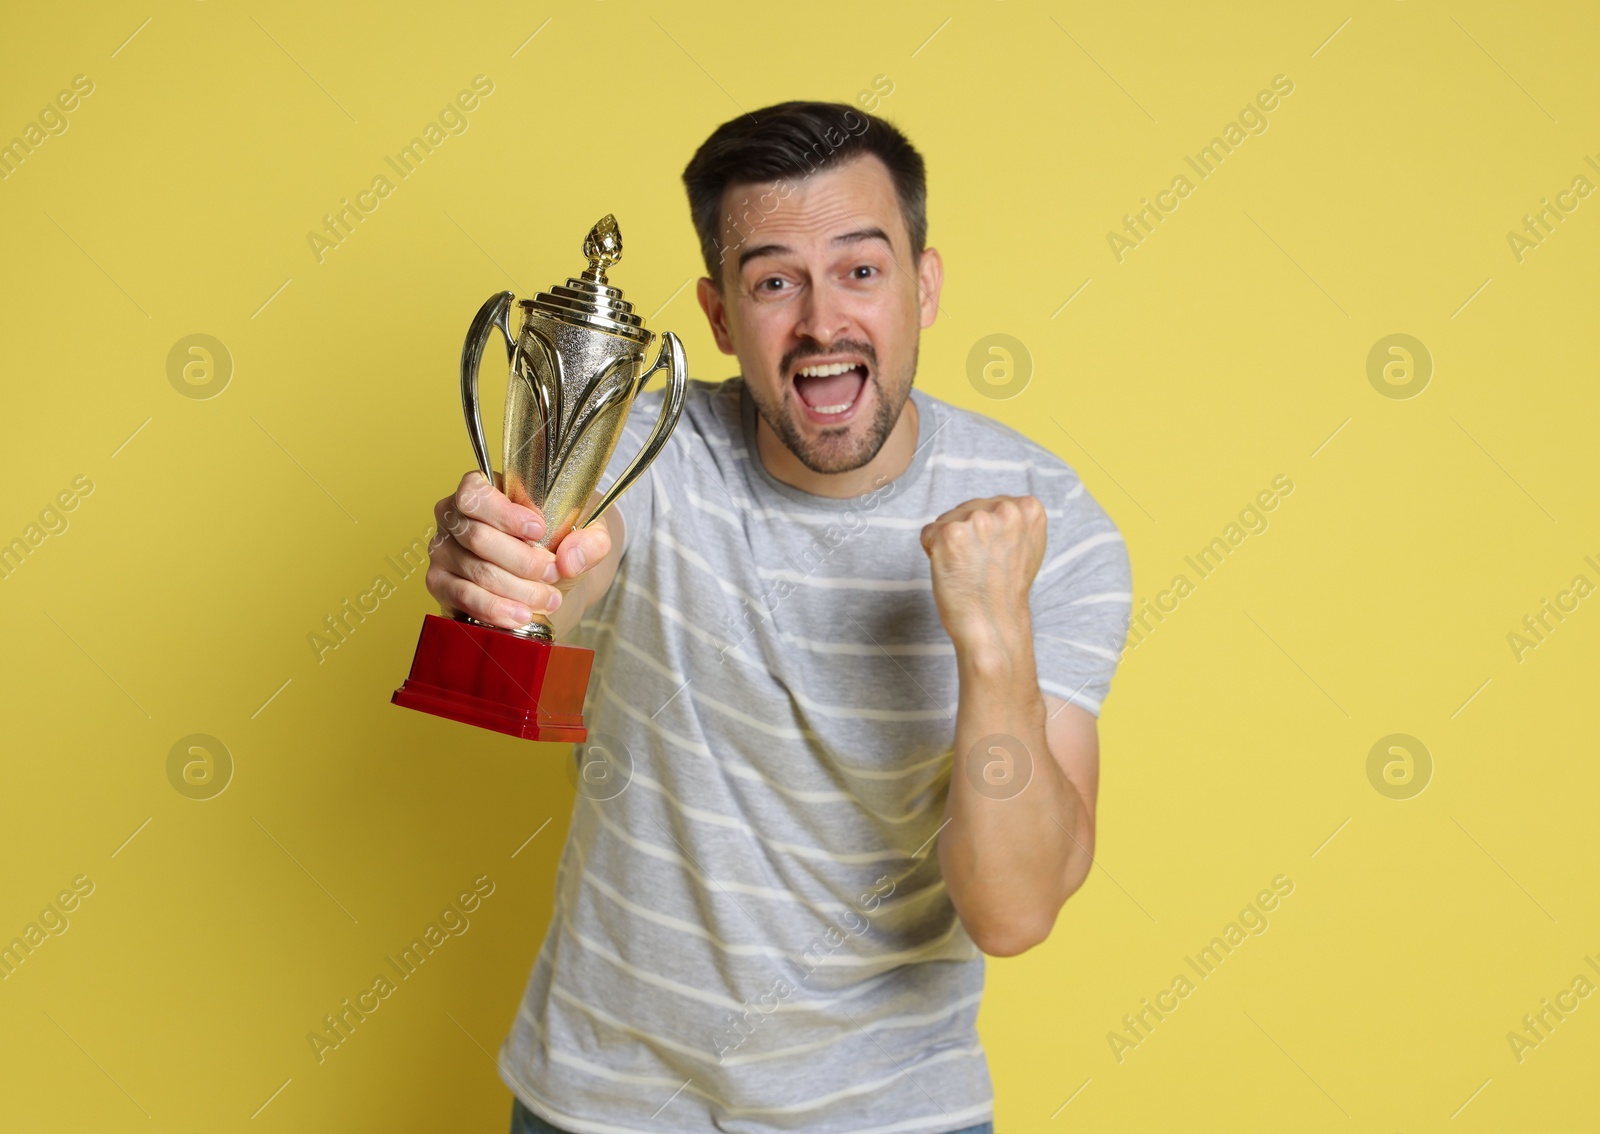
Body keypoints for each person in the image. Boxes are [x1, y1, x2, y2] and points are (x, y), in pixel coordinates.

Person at [424, 100, 1131, 1134]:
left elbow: (1014, 910)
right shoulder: (648, 451)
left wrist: (992, 642)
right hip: (600, 1105)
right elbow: (565, 574)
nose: (821, 323)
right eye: (772, 282)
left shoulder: (1047, 520)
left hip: (890, 1114)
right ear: (717, 317)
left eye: (859, 270)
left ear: (923, 286)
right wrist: (505, 572)